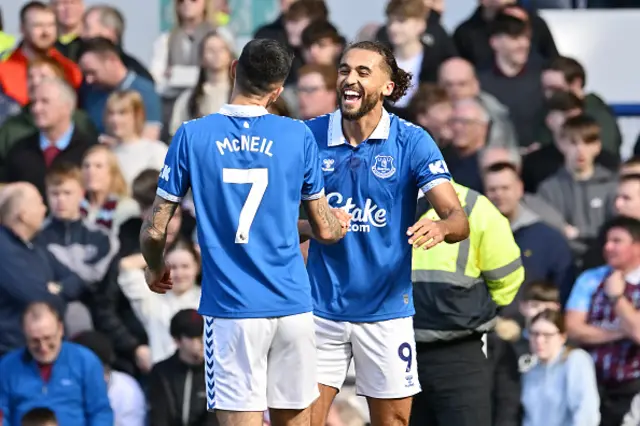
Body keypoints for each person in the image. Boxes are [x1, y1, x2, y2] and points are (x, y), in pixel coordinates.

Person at [140, 38, 348, 426]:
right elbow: (325, 228)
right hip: (292, 307)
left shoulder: (191, 134)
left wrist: (154, 267)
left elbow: (155, 229)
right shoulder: (298, 135)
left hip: (233, 310)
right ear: (278, 91)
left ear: (234, 69)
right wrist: (336, 224)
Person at [300, 40, 470, 426]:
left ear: (388, 86)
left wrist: (441, 227)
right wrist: (315, 227)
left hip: (386, 312)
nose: (349, 79)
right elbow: (270, 223)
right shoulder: (307, 137)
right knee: (302, 421)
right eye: (344, 70)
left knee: (393, 422)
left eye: (363, 72)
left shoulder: (411, 141)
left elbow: (459, 220)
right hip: (320, 311)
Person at [0, 302, 113, 425]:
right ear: (24, 334)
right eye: (35, 341)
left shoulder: (85, 361)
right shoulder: (8, 366)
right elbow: (2, 414)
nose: (43, 347)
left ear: (60, 329)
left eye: (48, 338)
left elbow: (100, 412)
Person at [522, 309, 600, 426]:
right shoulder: (530, 368)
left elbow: (586, 412)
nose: (539, 340)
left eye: (547, 335)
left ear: (562, 337)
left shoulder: (576, 360)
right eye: (534, 334)